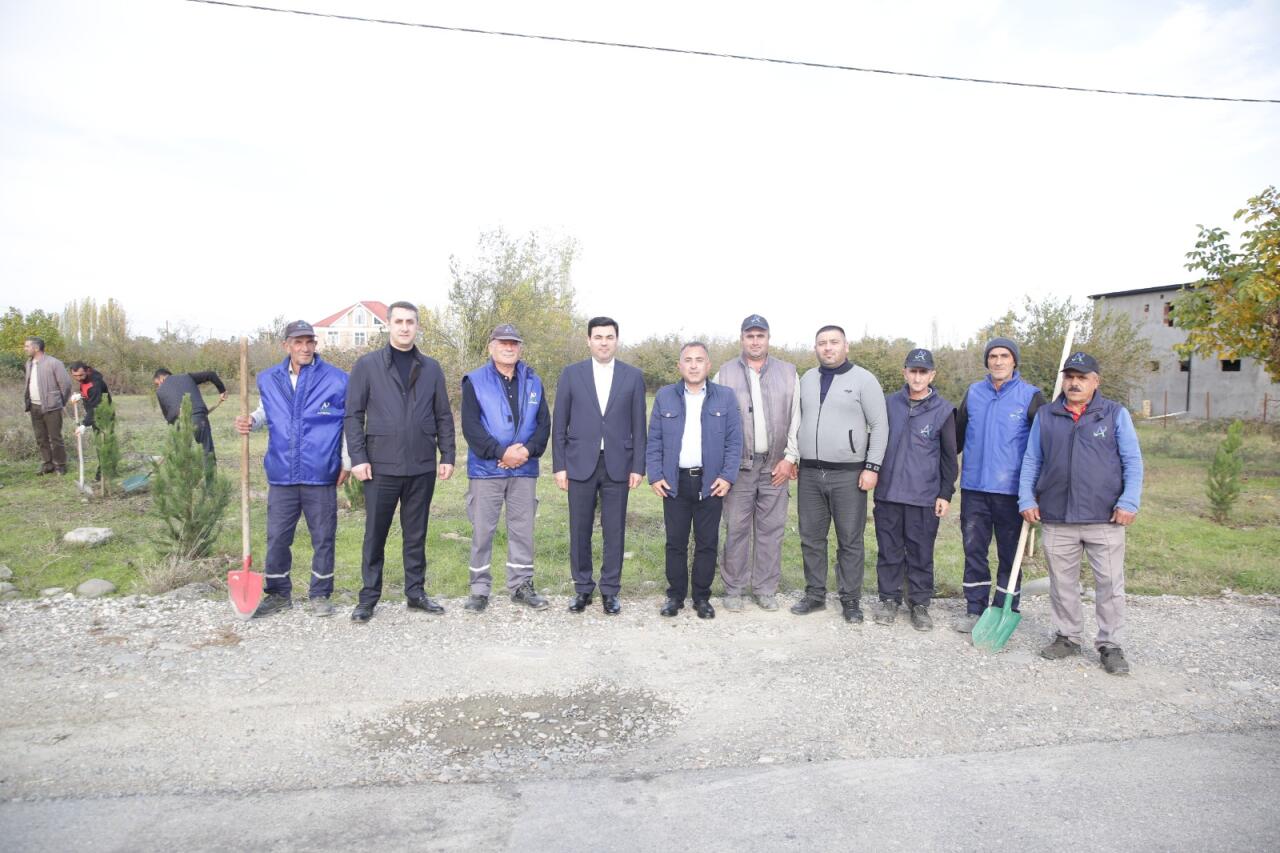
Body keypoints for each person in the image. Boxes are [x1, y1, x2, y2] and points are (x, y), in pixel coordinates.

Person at [1019, 352, 1144, 676]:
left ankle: (1110, 645)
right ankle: (1067, 636)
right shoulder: (1047, 415)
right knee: (1062, 583)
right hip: (1057, 514)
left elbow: (1132, 460)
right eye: (1070, 377)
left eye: (1082, 377)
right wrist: (1026, 498)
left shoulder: (1114, 414)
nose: (1074, 383)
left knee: (1110, 583)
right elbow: (1032, 459)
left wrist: (1129, 502)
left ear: (1095, 382)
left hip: (1105, 516)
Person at [345, 301, 455, 623]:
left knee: (416, 533)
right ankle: (368, 597)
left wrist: (447, 454)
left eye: (410, 322)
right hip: (380, 466)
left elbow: (443, 415)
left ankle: (416, 593)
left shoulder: (431, 368)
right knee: (375, 534)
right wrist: (358, 457)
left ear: (417, 326)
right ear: (389, 326)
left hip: (421, 465)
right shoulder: (367, 366)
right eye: (399, 321)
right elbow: (353, 415)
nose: (405, 327)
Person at [235, 321, 351, 619]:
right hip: (282, 471)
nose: (305, 348)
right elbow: (265, 410)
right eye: (298, 342)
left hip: (321, 469)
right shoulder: (269, 379)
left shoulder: (337, 380)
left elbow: (350, 423)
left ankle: (320, 594)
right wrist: (251, 420)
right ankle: (278, 593)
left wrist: (347, 461)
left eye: (310, 341)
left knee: (323, 536)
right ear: (286, 345)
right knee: (277, 536)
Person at [792, 325, 889, 623]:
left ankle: (850, 599)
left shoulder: (863, 380)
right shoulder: (807, 379)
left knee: (849, 539)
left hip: (848, 474)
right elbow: (797, 420)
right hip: (809, 473)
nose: (828, 348)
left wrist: (872, 467)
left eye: (834, 342)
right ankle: (815, 594)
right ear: (815, 348)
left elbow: (880, 425)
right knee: (811, 537)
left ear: (846, 346)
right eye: (822, 343)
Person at [552, 317, 647, 616]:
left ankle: (610, 590)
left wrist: (638, 466)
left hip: (618, 464)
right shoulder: (571, 374)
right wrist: (559, 466)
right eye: (598, 337)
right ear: (588, 341)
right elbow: (559, 424)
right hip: (579, 463)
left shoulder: (632, 377)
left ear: (617, 340)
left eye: (609, 337)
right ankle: (582, 589)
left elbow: (639, 426)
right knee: (580, 529)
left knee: (614, 529)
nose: (604, 342)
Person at [952, 337, 1046, 633]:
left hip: (1011, 492)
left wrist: (1035, 491)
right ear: (987, 361)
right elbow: (955, 438)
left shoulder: (1031, 396)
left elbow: (1044, 447)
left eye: (1004, 356)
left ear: (1014, 361)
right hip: (974, 488)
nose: (998, 361)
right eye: (993, 356)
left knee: (1009, 553)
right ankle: (974, 608)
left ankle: (1006, 607)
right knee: (974, 550)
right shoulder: (973, 393)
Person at [460, 323, 551, 614]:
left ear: (520, 348)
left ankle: (521, 586)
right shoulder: (474, 381)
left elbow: (543, 425)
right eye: (503, 343)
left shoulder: (534, 381)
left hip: (524, 470)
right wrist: (500, 453)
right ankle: (479, 589)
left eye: (514, 343)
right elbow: (471, 427)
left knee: (523, 530)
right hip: (487, 470)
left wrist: (525, 451)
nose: (509, 347)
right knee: (482, 531)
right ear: (491, 346)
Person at [647, 342, 742, 619]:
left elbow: (734, 442)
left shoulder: (724, 397)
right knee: (675, 542)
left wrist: (727, 476)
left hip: (710, 483)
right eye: (687, 360)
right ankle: (675, 596)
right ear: (679, 366)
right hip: (674, 482)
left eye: (699, 360)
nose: (693, 364)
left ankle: (702, 598)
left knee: (707, 542)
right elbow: (654, 440)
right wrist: (655, 475)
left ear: (708, 365)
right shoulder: (665, 396)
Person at [712, 314, 799, 612]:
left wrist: (790, 457)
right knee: (735, 528)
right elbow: (715, 423)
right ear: (742, 339)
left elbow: (797, 417)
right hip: (739, 467)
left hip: (775, 465)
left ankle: (765, 588)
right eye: (750, 336)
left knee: (771, 529)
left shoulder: (788, 372)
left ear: (768, 338)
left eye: (760, 335)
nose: (755, 341)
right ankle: (734, 588)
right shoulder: (724, 373)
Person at [871, 349, 958, 631]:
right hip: (888, 492)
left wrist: (945, 493)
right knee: (889, 550)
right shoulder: (887, 404)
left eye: (923, 372)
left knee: (921, 552)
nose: (917, 377)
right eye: (913, 371)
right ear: (905, 372)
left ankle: (919, 603)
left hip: (923, 496)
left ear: (932, 375)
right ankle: (889, 598)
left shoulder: (943, 411)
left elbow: (949, 457)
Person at [22, 337, 73, 475]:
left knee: (55, 437)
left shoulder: (54, 363)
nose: (25, 348)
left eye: (27, 346)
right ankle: (48, 464)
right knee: (40, 437)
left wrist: (60, 402)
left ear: (36, 348)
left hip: (52, 407)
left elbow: (66, 384)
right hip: (34, 406)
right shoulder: (29, 363)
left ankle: (60, 464)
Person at [153, 367, 228, 460]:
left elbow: (168, 417)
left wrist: (175, 435)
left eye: (157, 384)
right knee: (207, 451)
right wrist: (222, 391)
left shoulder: (160, 391)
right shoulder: (187, 377)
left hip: (179, 423)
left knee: (181, 456)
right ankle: (210, 474)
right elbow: (211, 374)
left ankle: (184, 473)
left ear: (161, 378)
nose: (158, 386)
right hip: (199, 418)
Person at [68, 361, 112, 481]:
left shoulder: (94, 384)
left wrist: (84, 424)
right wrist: (81, 396)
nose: (78, 378)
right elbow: (89, 395)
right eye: (75, 376)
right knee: (100, 443)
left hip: (104, 415)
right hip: (94, 414)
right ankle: (105, 470)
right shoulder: (86, 379)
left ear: (87, 371)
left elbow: (96, 407)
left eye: (81, 375)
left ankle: (105, 472)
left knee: (103, 443)